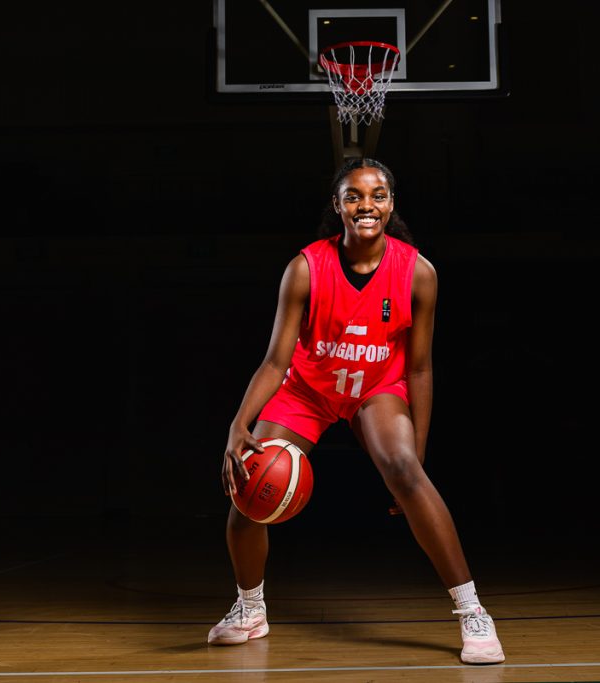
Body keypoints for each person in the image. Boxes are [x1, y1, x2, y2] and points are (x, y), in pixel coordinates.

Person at [210, 157, 505, 665]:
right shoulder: (304, 268)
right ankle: (250, 608)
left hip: (377, 388)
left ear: (390, 204)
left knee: (405, 471)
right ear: (337, 205)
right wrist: (239, 424)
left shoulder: (418, 272)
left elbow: (419, 371)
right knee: (247, 495)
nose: (365, 205)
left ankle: (473, 612)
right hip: (307, 388)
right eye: (353, 195)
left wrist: (418, 450)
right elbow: (276, 359)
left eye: (377, 195)